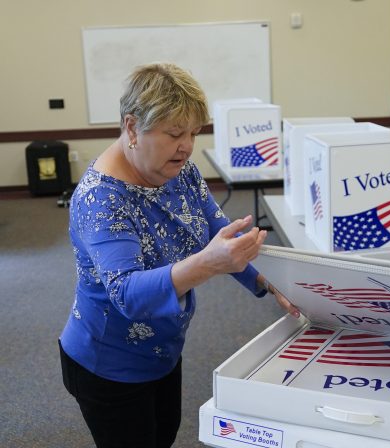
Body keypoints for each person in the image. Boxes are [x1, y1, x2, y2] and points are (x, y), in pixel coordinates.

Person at [58, 63, 299, 448]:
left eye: (193, 133)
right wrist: (208, 263)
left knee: (163, 435)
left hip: (163, 349)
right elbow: (128, 295)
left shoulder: (176, 169)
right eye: (174, 134)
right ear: (133, 128)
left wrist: (276, 282)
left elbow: (219, 232)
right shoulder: (101, 199)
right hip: (109, 363)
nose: (187, 146)